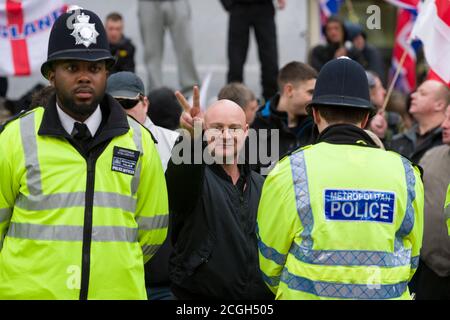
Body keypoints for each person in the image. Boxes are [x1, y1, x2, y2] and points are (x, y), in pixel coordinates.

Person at [0, 9, 168, 299]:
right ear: (51, 74)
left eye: (93, 68)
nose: (84, 77)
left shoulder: (139, 142)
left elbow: (151, 231)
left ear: (106, 73)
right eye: (72, 67)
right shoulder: (14, 138)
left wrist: (108, 269)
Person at [257, 57, 424, 300]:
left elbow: (269, 262)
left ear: (314, 114)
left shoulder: (289, 172)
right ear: (365, 119)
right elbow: (412, 258)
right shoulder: (405, 173)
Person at [165, 87, 274, 300]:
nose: (226, 135)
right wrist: (189, 138)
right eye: (217, 128)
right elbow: (180, 178)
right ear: (205, 131)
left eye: (233, 128)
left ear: (245, 131)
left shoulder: (262, 185)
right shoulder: (194, 179)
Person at [251, 61, 317, 174]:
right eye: (311, 92)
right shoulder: (258, 126)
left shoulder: (317, 125)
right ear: (289, 90)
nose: (315, 98)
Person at [106, 71, 179, 171]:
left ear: (145, 104)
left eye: (128, 103)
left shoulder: (174, 142)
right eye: (113, 104)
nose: (121, 110)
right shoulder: (93, 144)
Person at [414, 103, 450, 300]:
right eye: (445, 117)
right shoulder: (431, 157)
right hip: (430, 272)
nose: (444, 125)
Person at [221, 0, 285, 101]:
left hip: (264, 7)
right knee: (235, 61)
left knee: (270, 59)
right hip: (238, 7)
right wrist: (228, 3)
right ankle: (233, 101)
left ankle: (271, 101)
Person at [138, 0, 200, 93]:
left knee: (186, 47)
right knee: (151, 51)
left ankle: (191, 89)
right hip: (148, 3)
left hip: (178, 2)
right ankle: (156, 92)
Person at [389, 80, 448, 163]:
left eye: (423, 93)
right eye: (416, 92)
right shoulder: (398, 140)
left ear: (439, 105)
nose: (413, 96)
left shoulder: (446, 141)